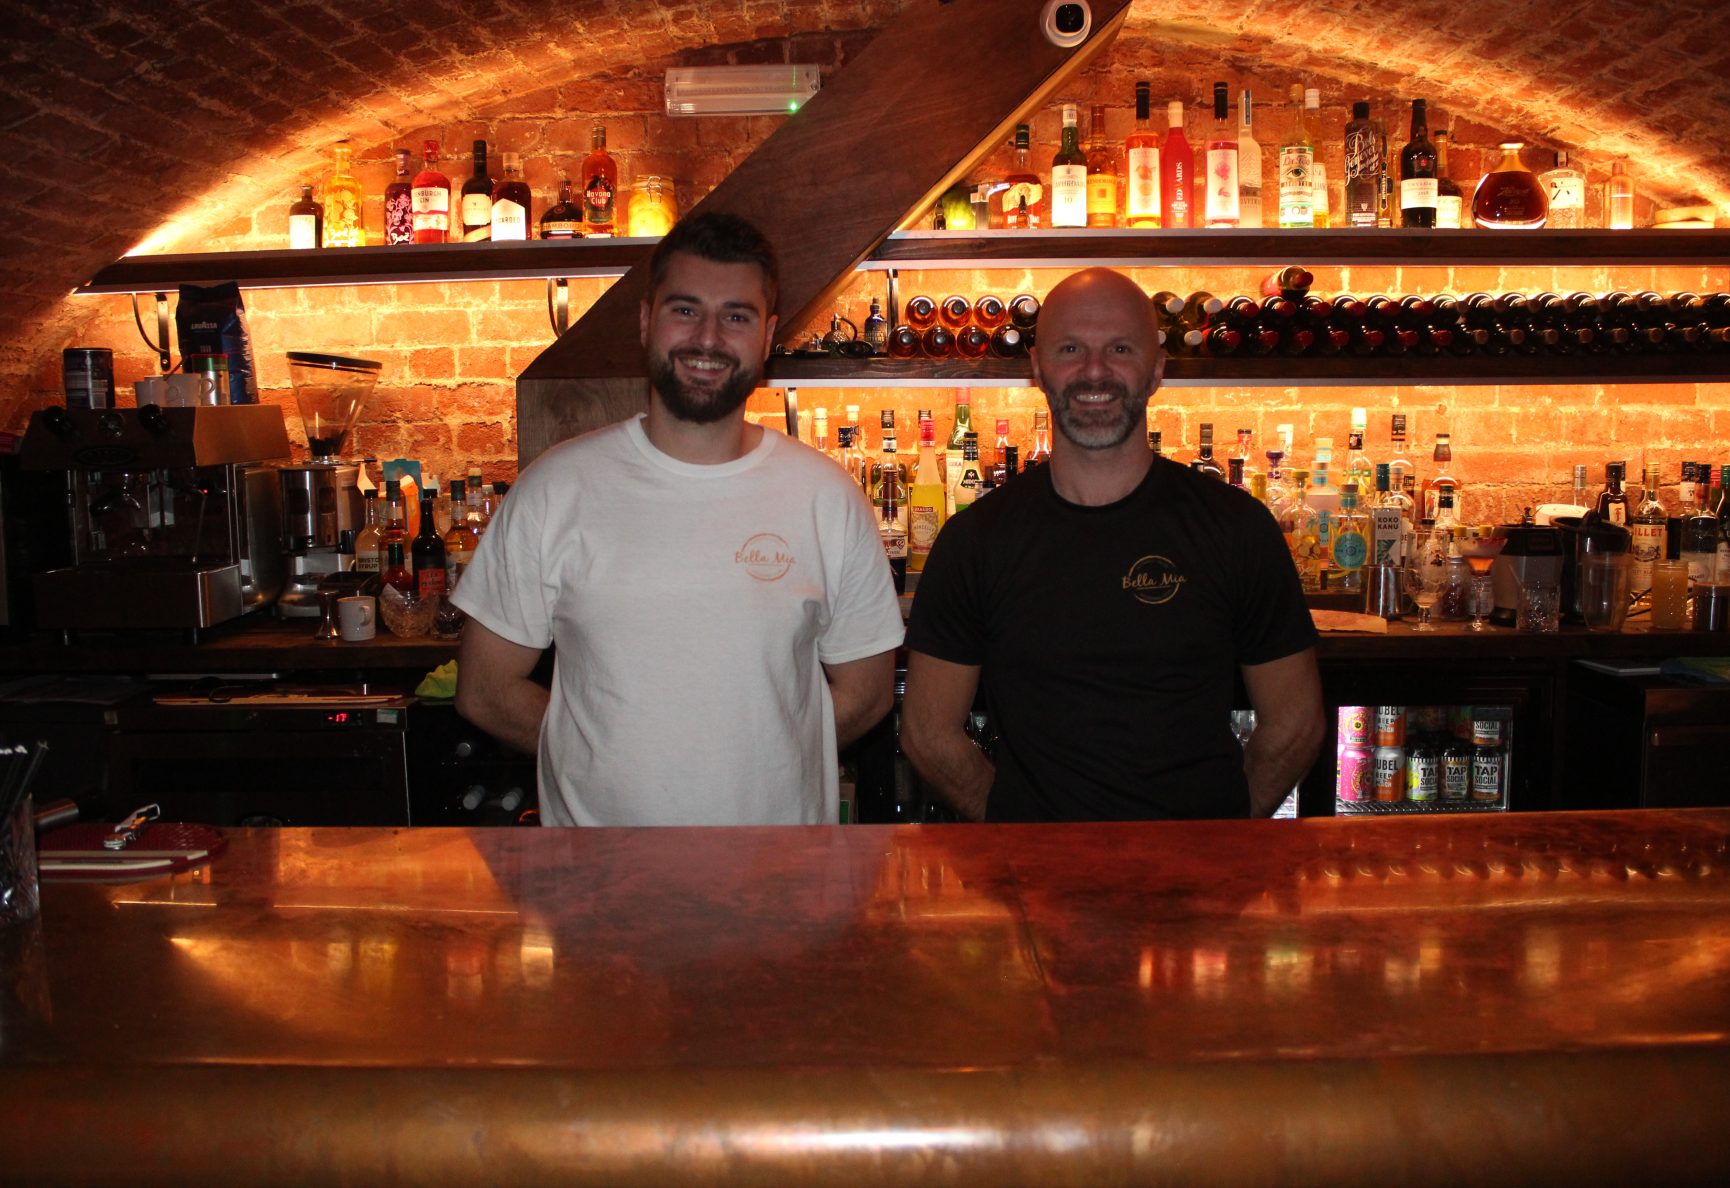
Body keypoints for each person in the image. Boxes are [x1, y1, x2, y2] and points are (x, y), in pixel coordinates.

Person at [452, 212, 903, 826]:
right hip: (603, 871)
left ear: (767, 336)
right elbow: (486, 690)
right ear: (646, 321)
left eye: (736, 316)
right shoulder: (555, 490)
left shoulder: (825, 496)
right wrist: (601, 758)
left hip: (777, 871)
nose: (708, 338)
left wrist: (765, 758)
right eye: (685, 310)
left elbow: (868, 693)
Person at [900, 268, 1324, 821]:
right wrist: (1016, 827)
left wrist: (1220, 836)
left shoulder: (1235, 527)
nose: (1094, 370)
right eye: (1070, 348)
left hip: (1196, 869)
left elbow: (1296, 724)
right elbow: (927, 732)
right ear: (1037, 368)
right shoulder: (976, 540)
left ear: (1157, 370)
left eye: (1120, 348)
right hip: (1038, 868)